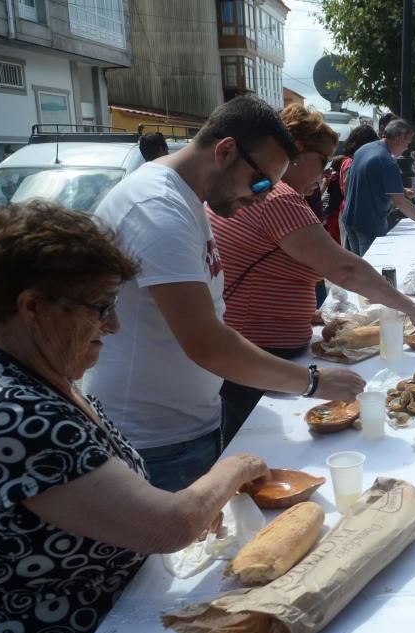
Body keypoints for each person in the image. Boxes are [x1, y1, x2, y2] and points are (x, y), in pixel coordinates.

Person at [0, 201, 270, 633]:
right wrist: (236, 467)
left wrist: (185, 503)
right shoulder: (5, 410)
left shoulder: (25, 368)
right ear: (32, 306)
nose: (113, 325)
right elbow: (169, 526)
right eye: (100, 306)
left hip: (109, 622)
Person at [85, 95, 365, 492]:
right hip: (154, 443)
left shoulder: (186, 198)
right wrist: (313, 382)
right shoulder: (157, 207)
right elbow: (205, 342)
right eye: (262, 182)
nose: (265, 196)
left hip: (190, 427)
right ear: (226, 150)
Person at [210, 105, 415, 438]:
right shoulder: (279, 198)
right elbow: (345, 268)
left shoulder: (269, 195)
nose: (325, 174)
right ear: (296, 151)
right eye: (323, 162)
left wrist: (300, 311)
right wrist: (412, 309)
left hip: (258, 359)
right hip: (260, 368)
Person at [341, 118, 415, 256]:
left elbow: (349, 182)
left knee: (357, 267)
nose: (406, 148)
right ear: (399, 137)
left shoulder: (364, 149)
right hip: (370, 224)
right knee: (371, 268)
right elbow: (401, 203)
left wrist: (401, 190)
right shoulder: (387, 161)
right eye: (407, 143)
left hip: (349, 219)